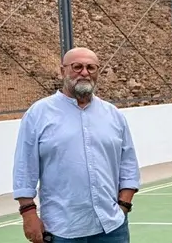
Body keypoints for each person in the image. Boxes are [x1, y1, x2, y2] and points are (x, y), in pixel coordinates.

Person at [12, 47, 141, 243]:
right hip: (62, 229)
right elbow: (25, 167)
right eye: (77, 66)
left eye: (91, 67)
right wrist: (28, 214)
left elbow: (128, 165)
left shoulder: (114, 115)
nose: (84, 72)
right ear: (63, 71)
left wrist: (123, 206)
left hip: (112, 227)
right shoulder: (38, 114)